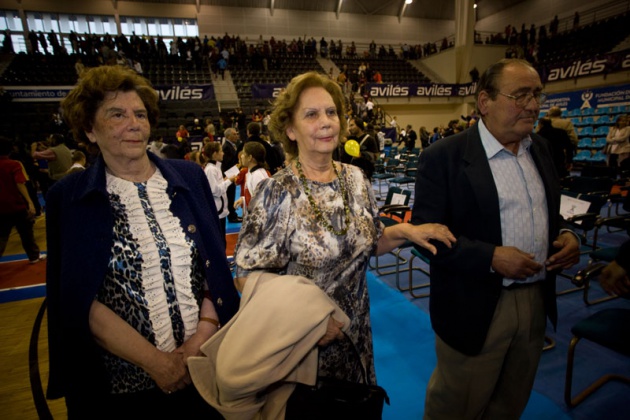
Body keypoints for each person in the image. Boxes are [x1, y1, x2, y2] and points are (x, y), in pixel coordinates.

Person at [233, 71, 455, 399]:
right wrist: (308, 321)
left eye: (331, 112)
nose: (326, 121)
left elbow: (367, 242)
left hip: (358, 339)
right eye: (311, 114)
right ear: (290, 130)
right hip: (302, 351)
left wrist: (405, 231)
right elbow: (246, 276)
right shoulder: (276, 191)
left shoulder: (355, 179)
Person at [45, 65, 240, 418]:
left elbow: (213, 268)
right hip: (120, 390)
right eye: (116, 115)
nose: (133, 124)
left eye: (140, 114)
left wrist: (199, 341)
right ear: (89, 129)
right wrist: (157, 363)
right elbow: (77, 299)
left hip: (204, 367)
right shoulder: (69, 197)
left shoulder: (189, 176)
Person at [411, 58, 581, 419]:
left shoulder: (542, 149)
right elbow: (425, 237)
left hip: (535, 299)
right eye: (520, 95)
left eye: (536, 94)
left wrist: (565, 233)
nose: (533, 105)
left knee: (510, 404)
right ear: (484, 102)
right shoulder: (444, 157)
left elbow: (547, 210)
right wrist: (490, 257)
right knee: (457, 407)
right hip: (476, 305)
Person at [0, 136, 45, 263]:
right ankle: (34, 256)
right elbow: (20, 183)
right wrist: (30, 202)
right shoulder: (14, 164)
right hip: (15, 205)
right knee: (26, 232)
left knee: (2, 236)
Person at [203, 142, 232, 244]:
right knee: (219, 240)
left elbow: (219, 183)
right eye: (221, 151)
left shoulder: (216, 167)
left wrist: (227, 179)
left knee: (222, 239)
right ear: (215, 154)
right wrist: (229, 181)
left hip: (221, 209)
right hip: (217, 210)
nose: (223, 153)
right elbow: (215, 191)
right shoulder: (211, 169)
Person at [233, 141, 269, 216]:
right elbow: (253, 196)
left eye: (243, 153)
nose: (241, 156)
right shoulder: (250, 173)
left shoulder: (258, 176)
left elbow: (263, 203)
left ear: (250, 158)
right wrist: (243, 199)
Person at [221, 127, 242, 223]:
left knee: (232, 194)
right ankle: (232, 216)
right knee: (230, 195)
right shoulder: (226, 147)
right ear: (228, 135)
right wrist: (238, 166)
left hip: (232, 173)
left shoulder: (232, 146)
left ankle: (233, 215)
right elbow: (228, 163)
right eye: (234, 134)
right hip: (229, 174)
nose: (236, 136)